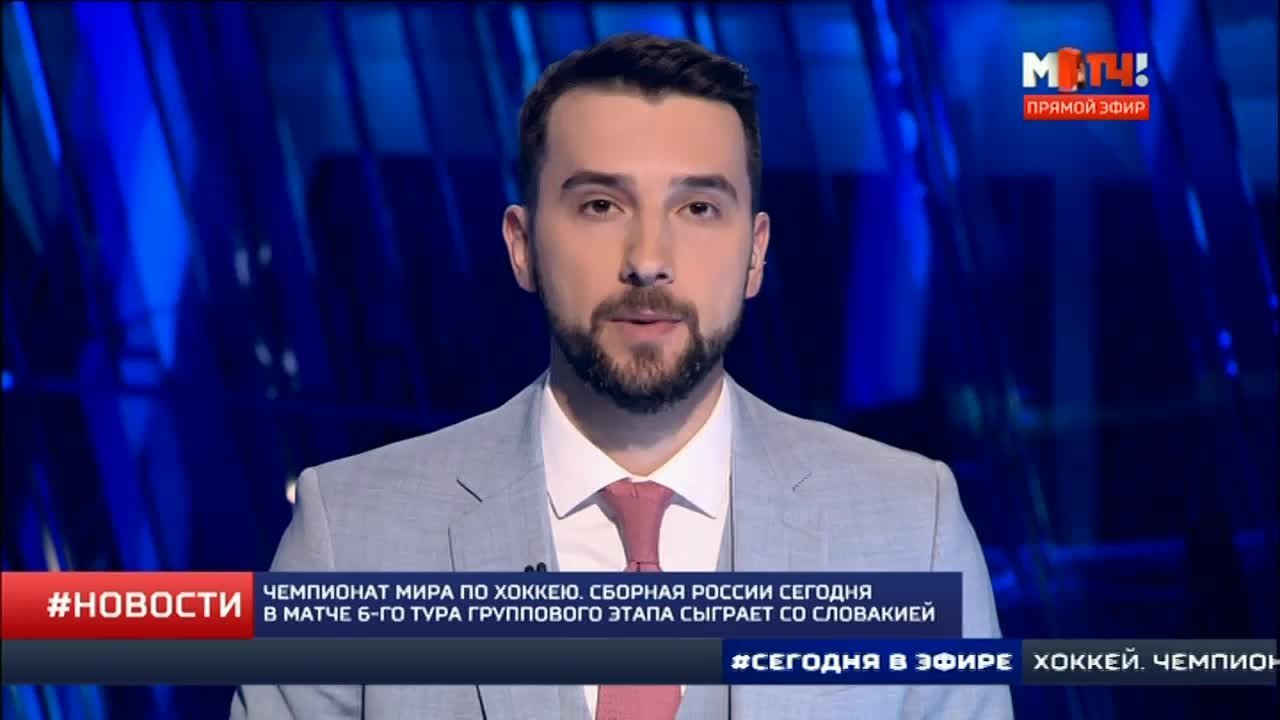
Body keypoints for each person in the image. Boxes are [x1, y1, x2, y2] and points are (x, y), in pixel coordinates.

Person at [231, 32, 1012, 720]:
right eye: (601, 205)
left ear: (756, 253)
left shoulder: (913, 529)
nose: (647, 260)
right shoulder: (350, 536)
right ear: (522, 246)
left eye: (698, 208)